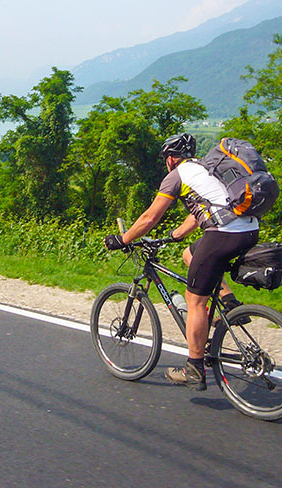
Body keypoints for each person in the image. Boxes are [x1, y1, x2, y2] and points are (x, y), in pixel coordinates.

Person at [104, 133, 259, 391]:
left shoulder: (177, 176)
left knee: (195, 300)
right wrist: (174, 236)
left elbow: (149, 217)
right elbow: (205, 209)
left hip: (224, 234)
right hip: (248, 229)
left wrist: (123, 239)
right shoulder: (205, 169)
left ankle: (194, 369)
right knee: (189, 255)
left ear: (170, 158)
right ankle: (229, 307)